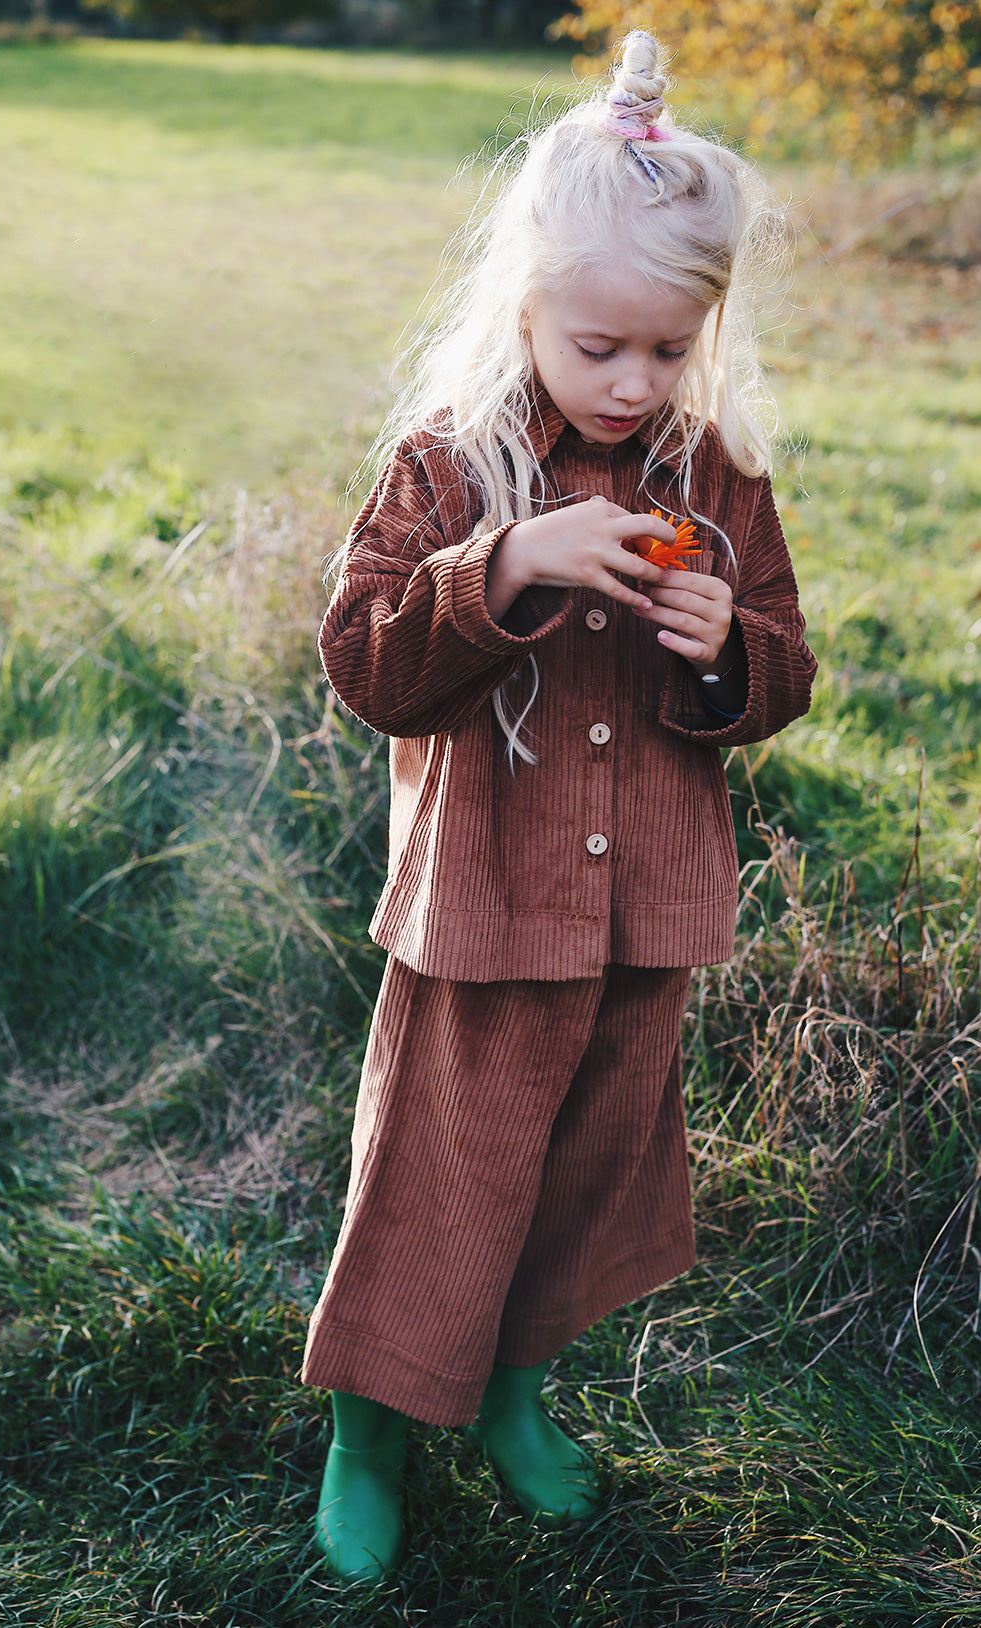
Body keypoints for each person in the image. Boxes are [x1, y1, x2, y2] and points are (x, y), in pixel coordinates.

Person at [301, 28, 817, 1583]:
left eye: (667, 349)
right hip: (481, 914)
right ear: (523, 308)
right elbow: (366, 668)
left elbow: (786, 670)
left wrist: (732, 648)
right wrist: (503, 568)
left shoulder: (713, 476)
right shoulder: (447, 469)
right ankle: (368, 1436)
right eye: (597, 347)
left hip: (642, 914)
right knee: (437, 1186)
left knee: (583, 1176)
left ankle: (516, 1400)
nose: (631, 381)